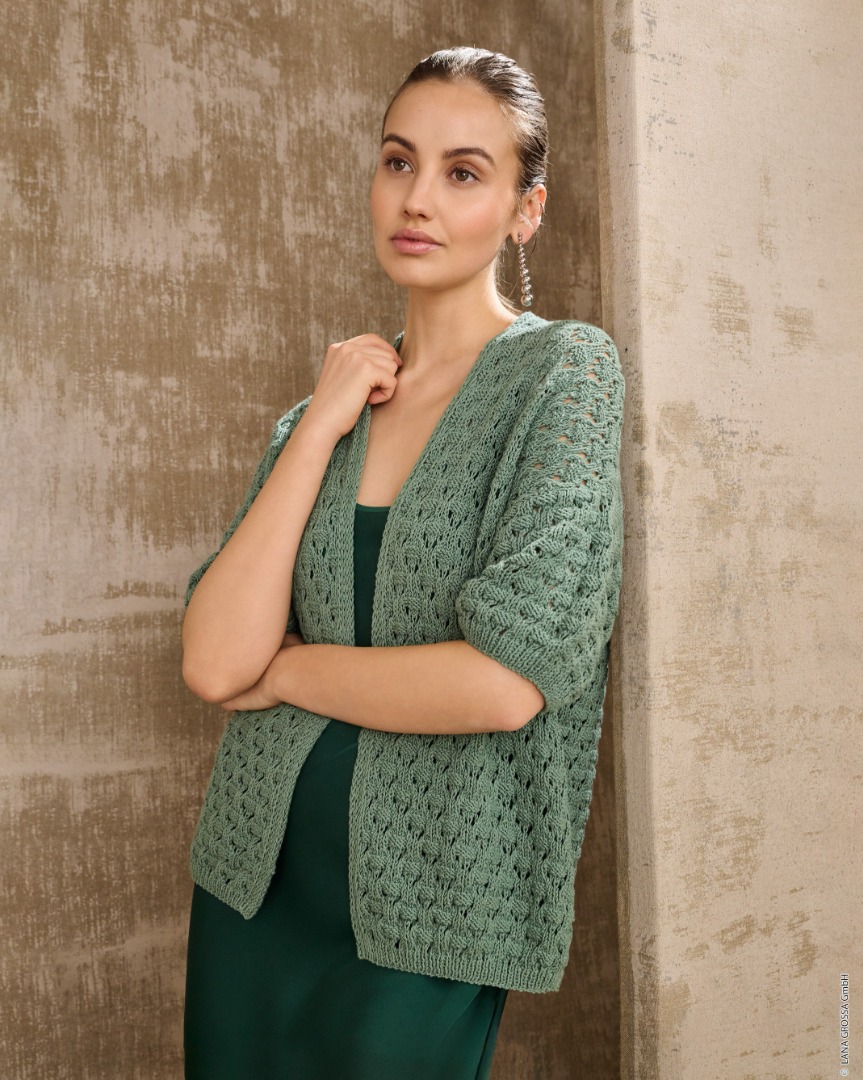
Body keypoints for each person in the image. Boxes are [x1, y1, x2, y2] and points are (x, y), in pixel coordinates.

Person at [180, 46, 625, 1080]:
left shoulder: (562, 374)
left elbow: (503, 683)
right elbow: (212, 663)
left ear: (524, 211)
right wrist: (318, 425)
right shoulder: (321, 413)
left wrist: (287, 671)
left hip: (434, 899)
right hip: (253, 886)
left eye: (463, 172)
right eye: (397, 161)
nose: (416, 197)